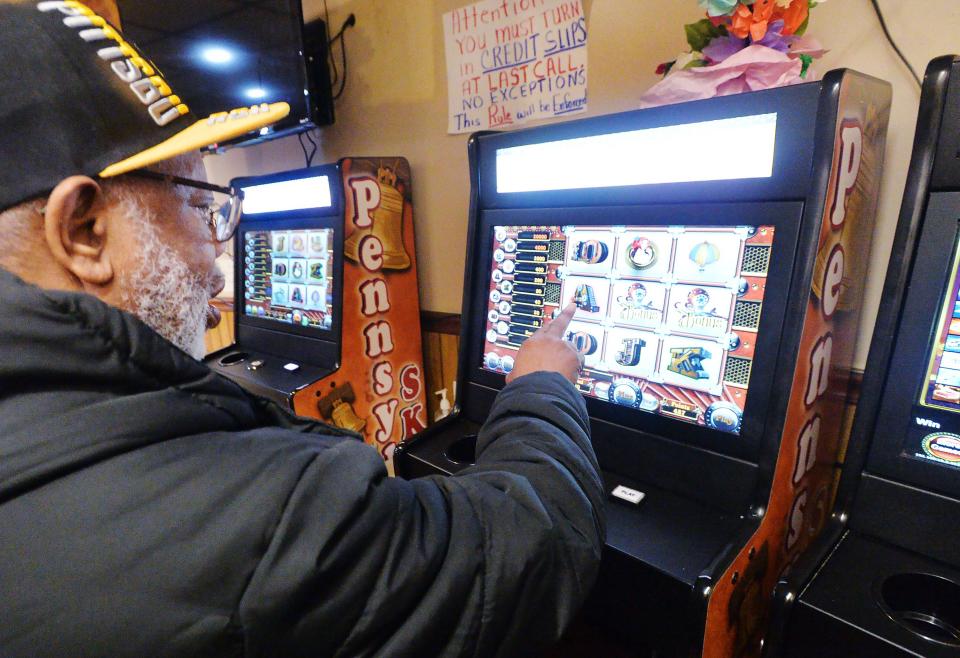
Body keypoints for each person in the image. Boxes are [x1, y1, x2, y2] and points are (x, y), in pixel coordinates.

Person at [0, 2, 605, 656]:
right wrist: (542, 384)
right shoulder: (261, 518)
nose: (214, 264)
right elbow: (525, 554)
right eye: (199, 208)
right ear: (85, 232)